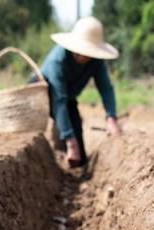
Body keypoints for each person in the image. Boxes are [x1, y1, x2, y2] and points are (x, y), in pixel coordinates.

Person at [39, 16, 121, 167]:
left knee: (80, 159)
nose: (83, 55)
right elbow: (58, 100)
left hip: (68, 98)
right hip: (43, 95)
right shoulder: (57, 61)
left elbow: (105, 88)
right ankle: (59, 140)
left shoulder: (96, 61)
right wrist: (70, 141)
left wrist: (111, 118)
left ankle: (65, 141)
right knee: (61, 140)